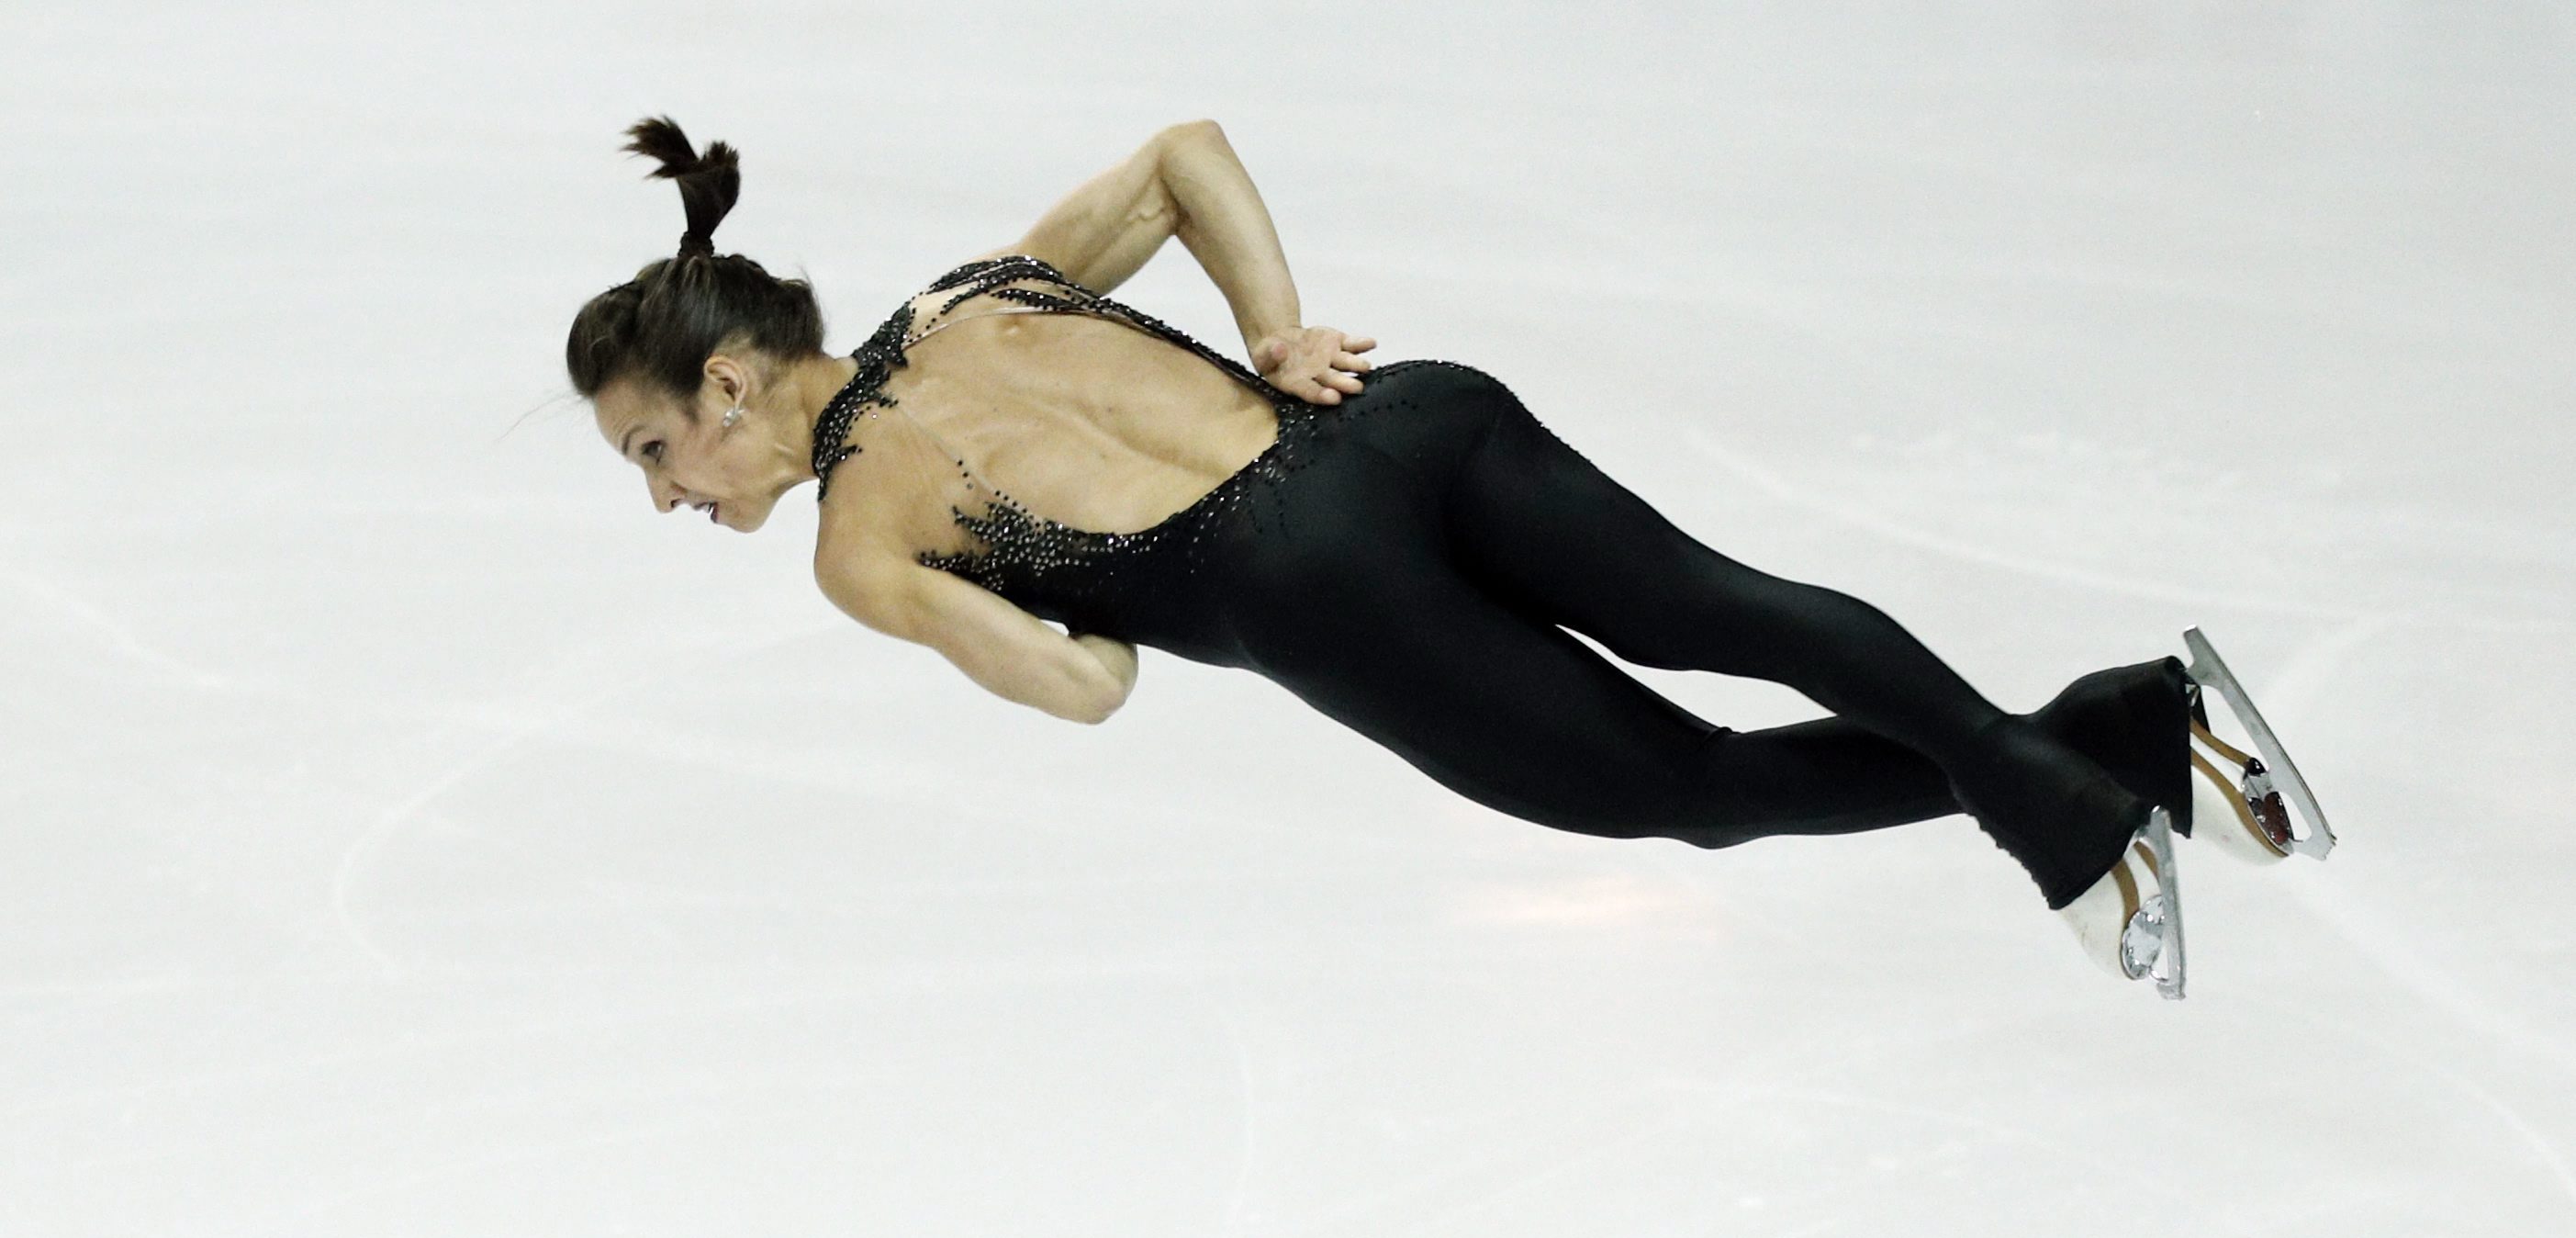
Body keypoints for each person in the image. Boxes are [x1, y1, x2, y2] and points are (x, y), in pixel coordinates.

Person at [564, 117, 2335, 997]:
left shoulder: (858, 538)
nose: (668, 497)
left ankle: (2095, 773)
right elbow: (1186, 153)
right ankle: (2130, 727)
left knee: (1694, 786)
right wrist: (1272, 336)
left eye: (656, 450)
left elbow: (1088, 689)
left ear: (727, 381)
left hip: (1311, 585)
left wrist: (1001, 598)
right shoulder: (969, 289)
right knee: (1735, 613)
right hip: (1394, 422)